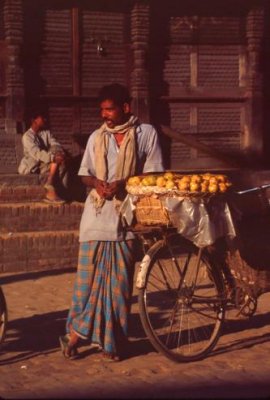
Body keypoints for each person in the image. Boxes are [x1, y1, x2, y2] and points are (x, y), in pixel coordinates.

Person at [59, 83, 164, 361]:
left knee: (119, 287)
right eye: (102, 110)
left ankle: (108, 343)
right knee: (88, 285)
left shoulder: (146, 134)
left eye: (110, 109)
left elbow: (154, 175)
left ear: (126, 108)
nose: (105, 114)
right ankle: (76, 336)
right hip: (95, 219)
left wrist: (124, 183)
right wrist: (98, 183)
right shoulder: (96, 137)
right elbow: (84, 174)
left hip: (126, 219)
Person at [18, 111, 67, 203]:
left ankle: (52, 187)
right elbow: (36, 153)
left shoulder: (46, 133)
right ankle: (50, 189)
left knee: (60, 157)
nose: (45, 120)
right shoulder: (27, 136)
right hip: (33, 166)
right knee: (57, 162)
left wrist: (60, 153)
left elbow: (55, 143)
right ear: (34, 120)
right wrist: (53, 158)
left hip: (45, 163)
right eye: (42, 118)